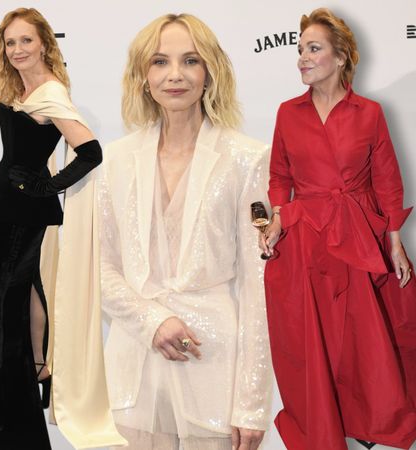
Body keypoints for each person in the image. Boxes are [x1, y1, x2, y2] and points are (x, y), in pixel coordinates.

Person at [99, 13, 273, 450]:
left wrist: (251, 404)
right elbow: (99, 266)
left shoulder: (246, 158)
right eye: (160, 62)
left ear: (210, 72)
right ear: (142, 76)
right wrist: (152, 321)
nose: (175, 74)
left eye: (190, 61)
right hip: (134, 365)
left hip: (212, 363)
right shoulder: (115, 160)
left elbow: (259, 285)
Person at [261, 7, 416, 450]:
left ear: (341, 56)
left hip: (358, 236)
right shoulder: (288, 113)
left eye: (314, 49)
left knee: (364, 340)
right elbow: (280, 176)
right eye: (300, 50)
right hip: (307, 238)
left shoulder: (370, 112)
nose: (302, 58)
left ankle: (366, 423)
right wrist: (276, 219)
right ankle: (323, 426)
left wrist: (395, 242)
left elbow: (388, 181)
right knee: (314, 340)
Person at [0, 7, 124, 449]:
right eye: (10, 42)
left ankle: (6, 417)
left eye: (26, 40)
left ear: (44, 43)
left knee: (3, 307)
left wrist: (47, 187)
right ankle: (11, 402)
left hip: (27, 215)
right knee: (9, 303)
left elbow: (91, 151)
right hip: (11, 211)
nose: (18, 49)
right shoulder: (19, 88)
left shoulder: (50, 92)